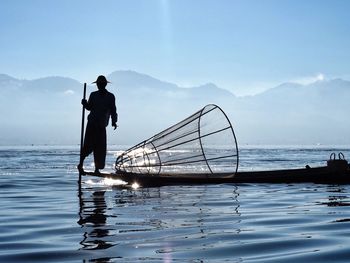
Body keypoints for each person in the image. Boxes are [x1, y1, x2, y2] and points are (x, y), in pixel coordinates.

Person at [78, 75, 118, 174]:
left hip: (101, 125)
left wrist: (114, 121)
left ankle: (96, 169)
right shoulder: (93, 95)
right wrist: (84, 103)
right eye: (98, 84)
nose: (99, 85)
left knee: (99, 148)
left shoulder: (110, 96)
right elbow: (89, 108)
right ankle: (81, 165)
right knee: (87, 145)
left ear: (104, 85)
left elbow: (113, 110)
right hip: (92, 124)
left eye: (101, 84)